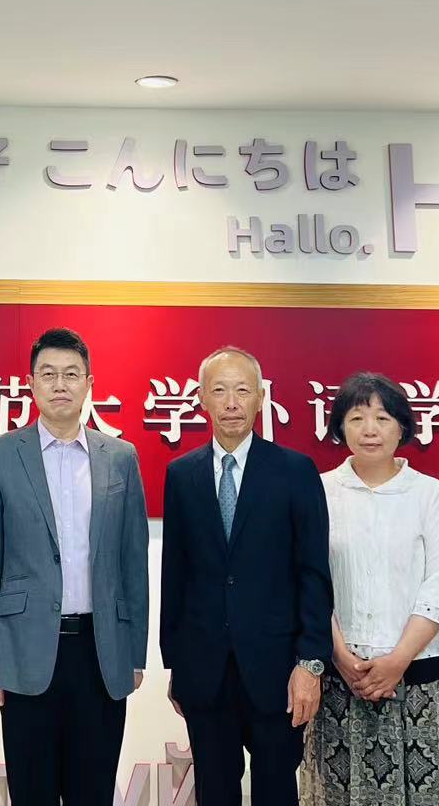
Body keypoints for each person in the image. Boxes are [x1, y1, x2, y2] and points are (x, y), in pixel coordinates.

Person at [0, 327, 149, 806]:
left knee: (93, 793)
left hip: (100, 651)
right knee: (32, 793)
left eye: (71, 374)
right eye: (48, 374)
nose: (60, 384)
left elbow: (134, 562)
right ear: (31, 384)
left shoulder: (120, 457)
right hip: (24, 651)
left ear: (89, 383)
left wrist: (135, 655)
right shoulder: (1, 454)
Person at [160, 345, 332, 806]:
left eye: (242, 390)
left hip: (279, 670)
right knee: (214, 790)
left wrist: (311, 663)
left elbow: (314, 573)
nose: (232, 403)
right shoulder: (182, 474)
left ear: (261, 397)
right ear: (202, 399)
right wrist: (176, 665)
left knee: (276, 790)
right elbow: (175, 575)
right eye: (219, 391)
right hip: (205, 669)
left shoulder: (295, 471)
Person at [304, 372, 439, 806]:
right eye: (357, 418)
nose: (370, 430)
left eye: (382, 418)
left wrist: (398, 661)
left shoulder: (429, 493)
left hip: (424, 675)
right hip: (343, 675)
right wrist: (339, 655)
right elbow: (309, 580)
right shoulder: (318, 491)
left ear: (402, 427)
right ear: (340, 428)